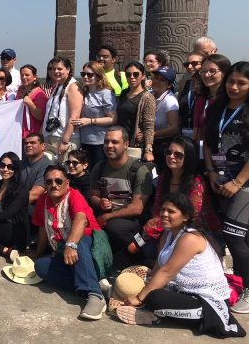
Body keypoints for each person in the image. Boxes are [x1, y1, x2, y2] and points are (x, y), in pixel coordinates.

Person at [116, 193, 245, 338]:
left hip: (208, 301)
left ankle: (155, 315)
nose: (164, 214)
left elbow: (167, 272)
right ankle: (154, 311)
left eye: (171, 211)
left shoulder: (190, 238)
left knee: (154, 298)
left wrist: (139, 298)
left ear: (185, 217)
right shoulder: (167, 234)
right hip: (184, 291)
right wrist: (146, 282)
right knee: (148, 286)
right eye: (163, 210)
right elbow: (159, 264)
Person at [31, 164, 106, 320]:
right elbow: (43, 229)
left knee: (79, 242)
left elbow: (81, 219)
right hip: (64, 252)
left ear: (67, 182)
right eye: (49, 182)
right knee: (40, 266)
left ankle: (95, 295)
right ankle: (92, 283)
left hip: (91, 249)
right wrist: (37, 254)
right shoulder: (43, 200)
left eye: (58, 181)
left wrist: (70, 244)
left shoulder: (74, 196)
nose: (54, 185)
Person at [204, 61, 249, 313]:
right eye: (232, 81)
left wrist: (238, 182)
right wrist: (211, 171)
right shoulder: (217, 107)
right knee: (231, 233)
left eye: (242, 83)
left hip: (244, 182)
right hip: (220, 178)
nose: (234, 87)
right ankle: (238, 283)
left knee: (234, 234)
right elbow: (209, 142)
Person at [142, 136, 220, 261]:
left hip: (195, 231)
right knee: (146, 245)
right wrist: (152, 224)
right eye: (168, 152)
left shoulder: (196, 183)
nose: (171, 156)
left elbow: (191, 216)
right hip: (169, 226)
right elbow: (157, 207)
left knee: (154, 247)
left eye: (178, 154)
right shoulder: (163, 178)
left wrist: (155, 227)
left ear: (188, 158)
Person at [89, 126, 153, 263]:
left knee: (115, 227)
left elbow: (137, 208)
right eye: (106, 142)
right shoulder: (99, 167)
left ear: (126, 144)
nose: (109, 146)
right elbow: (93, 196)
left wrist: (107, 216)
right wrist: (100, 202)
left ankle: (139, 252)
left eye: (114, 142)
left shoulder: (139, 170)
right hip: (106, 215)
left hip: (132, 220)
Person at [72, 61, 117, 168]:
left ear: (98, 76)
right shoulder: (84, 91)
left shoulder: (105, 93)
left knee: (97, 171)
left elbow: (113, 119)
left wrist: (90, 121)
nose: (85, 77)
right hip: (83, 140)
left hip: (99, 142)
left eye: (90, 75)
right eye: (83, 74)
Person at [42, 56, 82, 162]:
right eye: (53, 68)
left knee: (64, 170)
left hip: (64, 139)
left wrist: (65, 141)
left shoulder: (73, 86)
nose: (56, 71)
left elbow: (74, 116)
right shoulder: (58, 86)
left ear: (68, 69)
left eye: (59, 69)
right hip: (51, 137)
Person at [116, 62, 156, 161]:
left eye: (136, 74)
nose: (132, 77)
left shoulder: (147, 97)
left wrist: (148, 150)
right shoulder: (124, 93)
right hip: (119, 142)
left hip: (134, 145)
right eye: (128, 74)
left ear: (143, 76)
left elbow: (149, 125)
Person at [193, 54, 232, 142]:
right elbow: (197, 133)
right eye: (203, 71)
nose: (206, 75)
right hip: (206, 148)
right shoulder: (201, 100)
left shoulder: (232, 100)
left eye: (212, 71)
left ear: (225, 73)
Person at [150, 66, 180, 172]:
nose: (157, 81)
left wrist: (150, 134)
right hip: (150, 143)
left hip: (162, 146)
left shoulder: (170, 100)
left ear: (169, 85)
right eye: (156, 78)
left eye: (162, 80)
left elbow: (174, 128)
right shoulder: (150, 94)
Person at [21, 132, 53, 204]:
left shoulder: (49, 167)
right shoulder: (20, 164)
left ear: (43, 146)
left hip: (35, 208)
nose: (28, 145)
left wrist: (10, 205)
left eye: (32, 143)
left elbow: (34, 195)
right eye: (26, 143)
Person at [15, 64, 47, 139]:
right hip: (19, 133)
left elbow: (41, 116)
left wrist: (30, 103)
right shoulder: (20, 92)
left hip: (32, 135)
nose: (24, 77)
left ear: (35, 77)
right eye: (22, 75)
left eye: (27, 75)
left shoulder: (39, 94)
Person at [177, 52, 204, 138]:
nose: (189, 67)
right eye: (186, 64)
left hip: (201, 134)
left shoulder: (207, 86)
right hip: (183, 132)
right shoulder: (186, 83)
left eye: (194, 63)